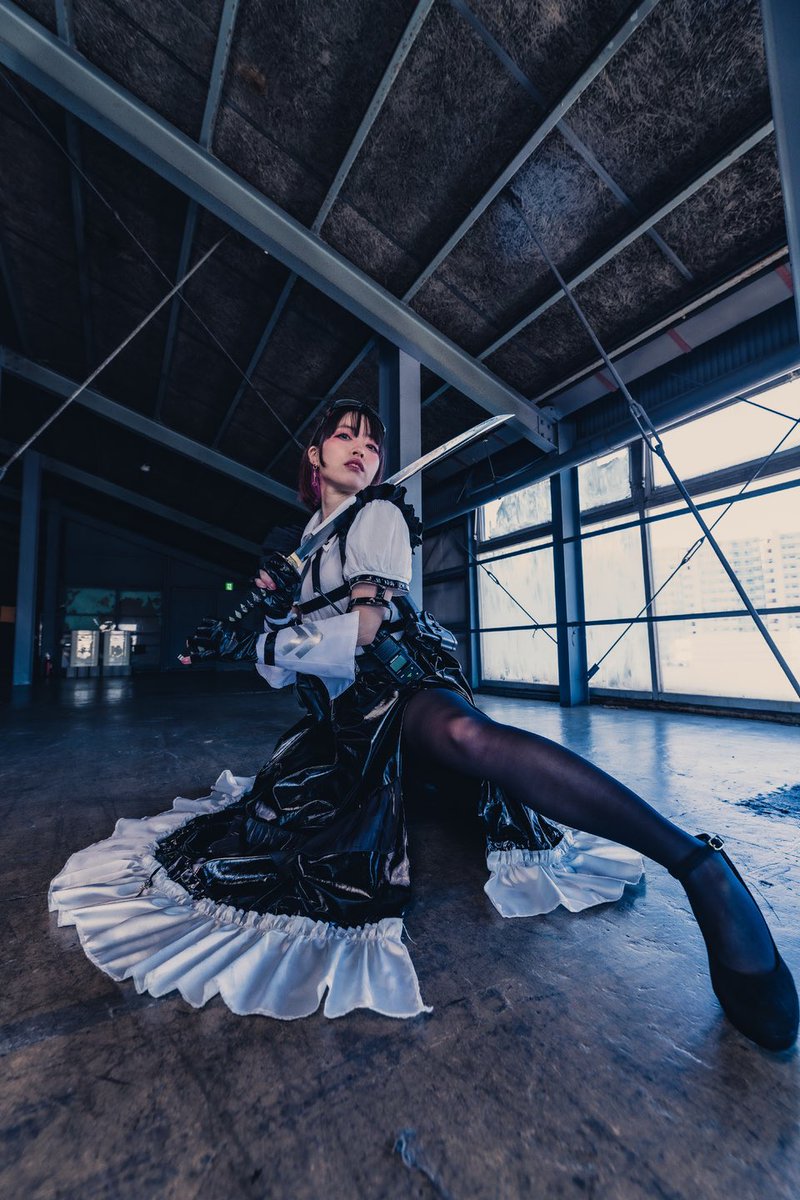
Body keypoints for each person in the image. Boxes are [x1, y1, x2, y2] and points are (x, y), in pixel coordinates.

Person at [49, 401, 798, 1050]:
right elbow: (286, 676)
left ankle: (697, 866)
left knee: (470, 740)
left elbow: (366, 632)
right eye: (345, 436)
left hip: (401, 682)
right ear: (314, 455)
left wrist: (268, 640)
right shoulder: (303, 540)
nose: (362, 449)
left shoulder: (378, 515)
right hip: (342, 718)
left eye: (372, 442)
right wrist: (264, 619)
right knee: (287, 821)